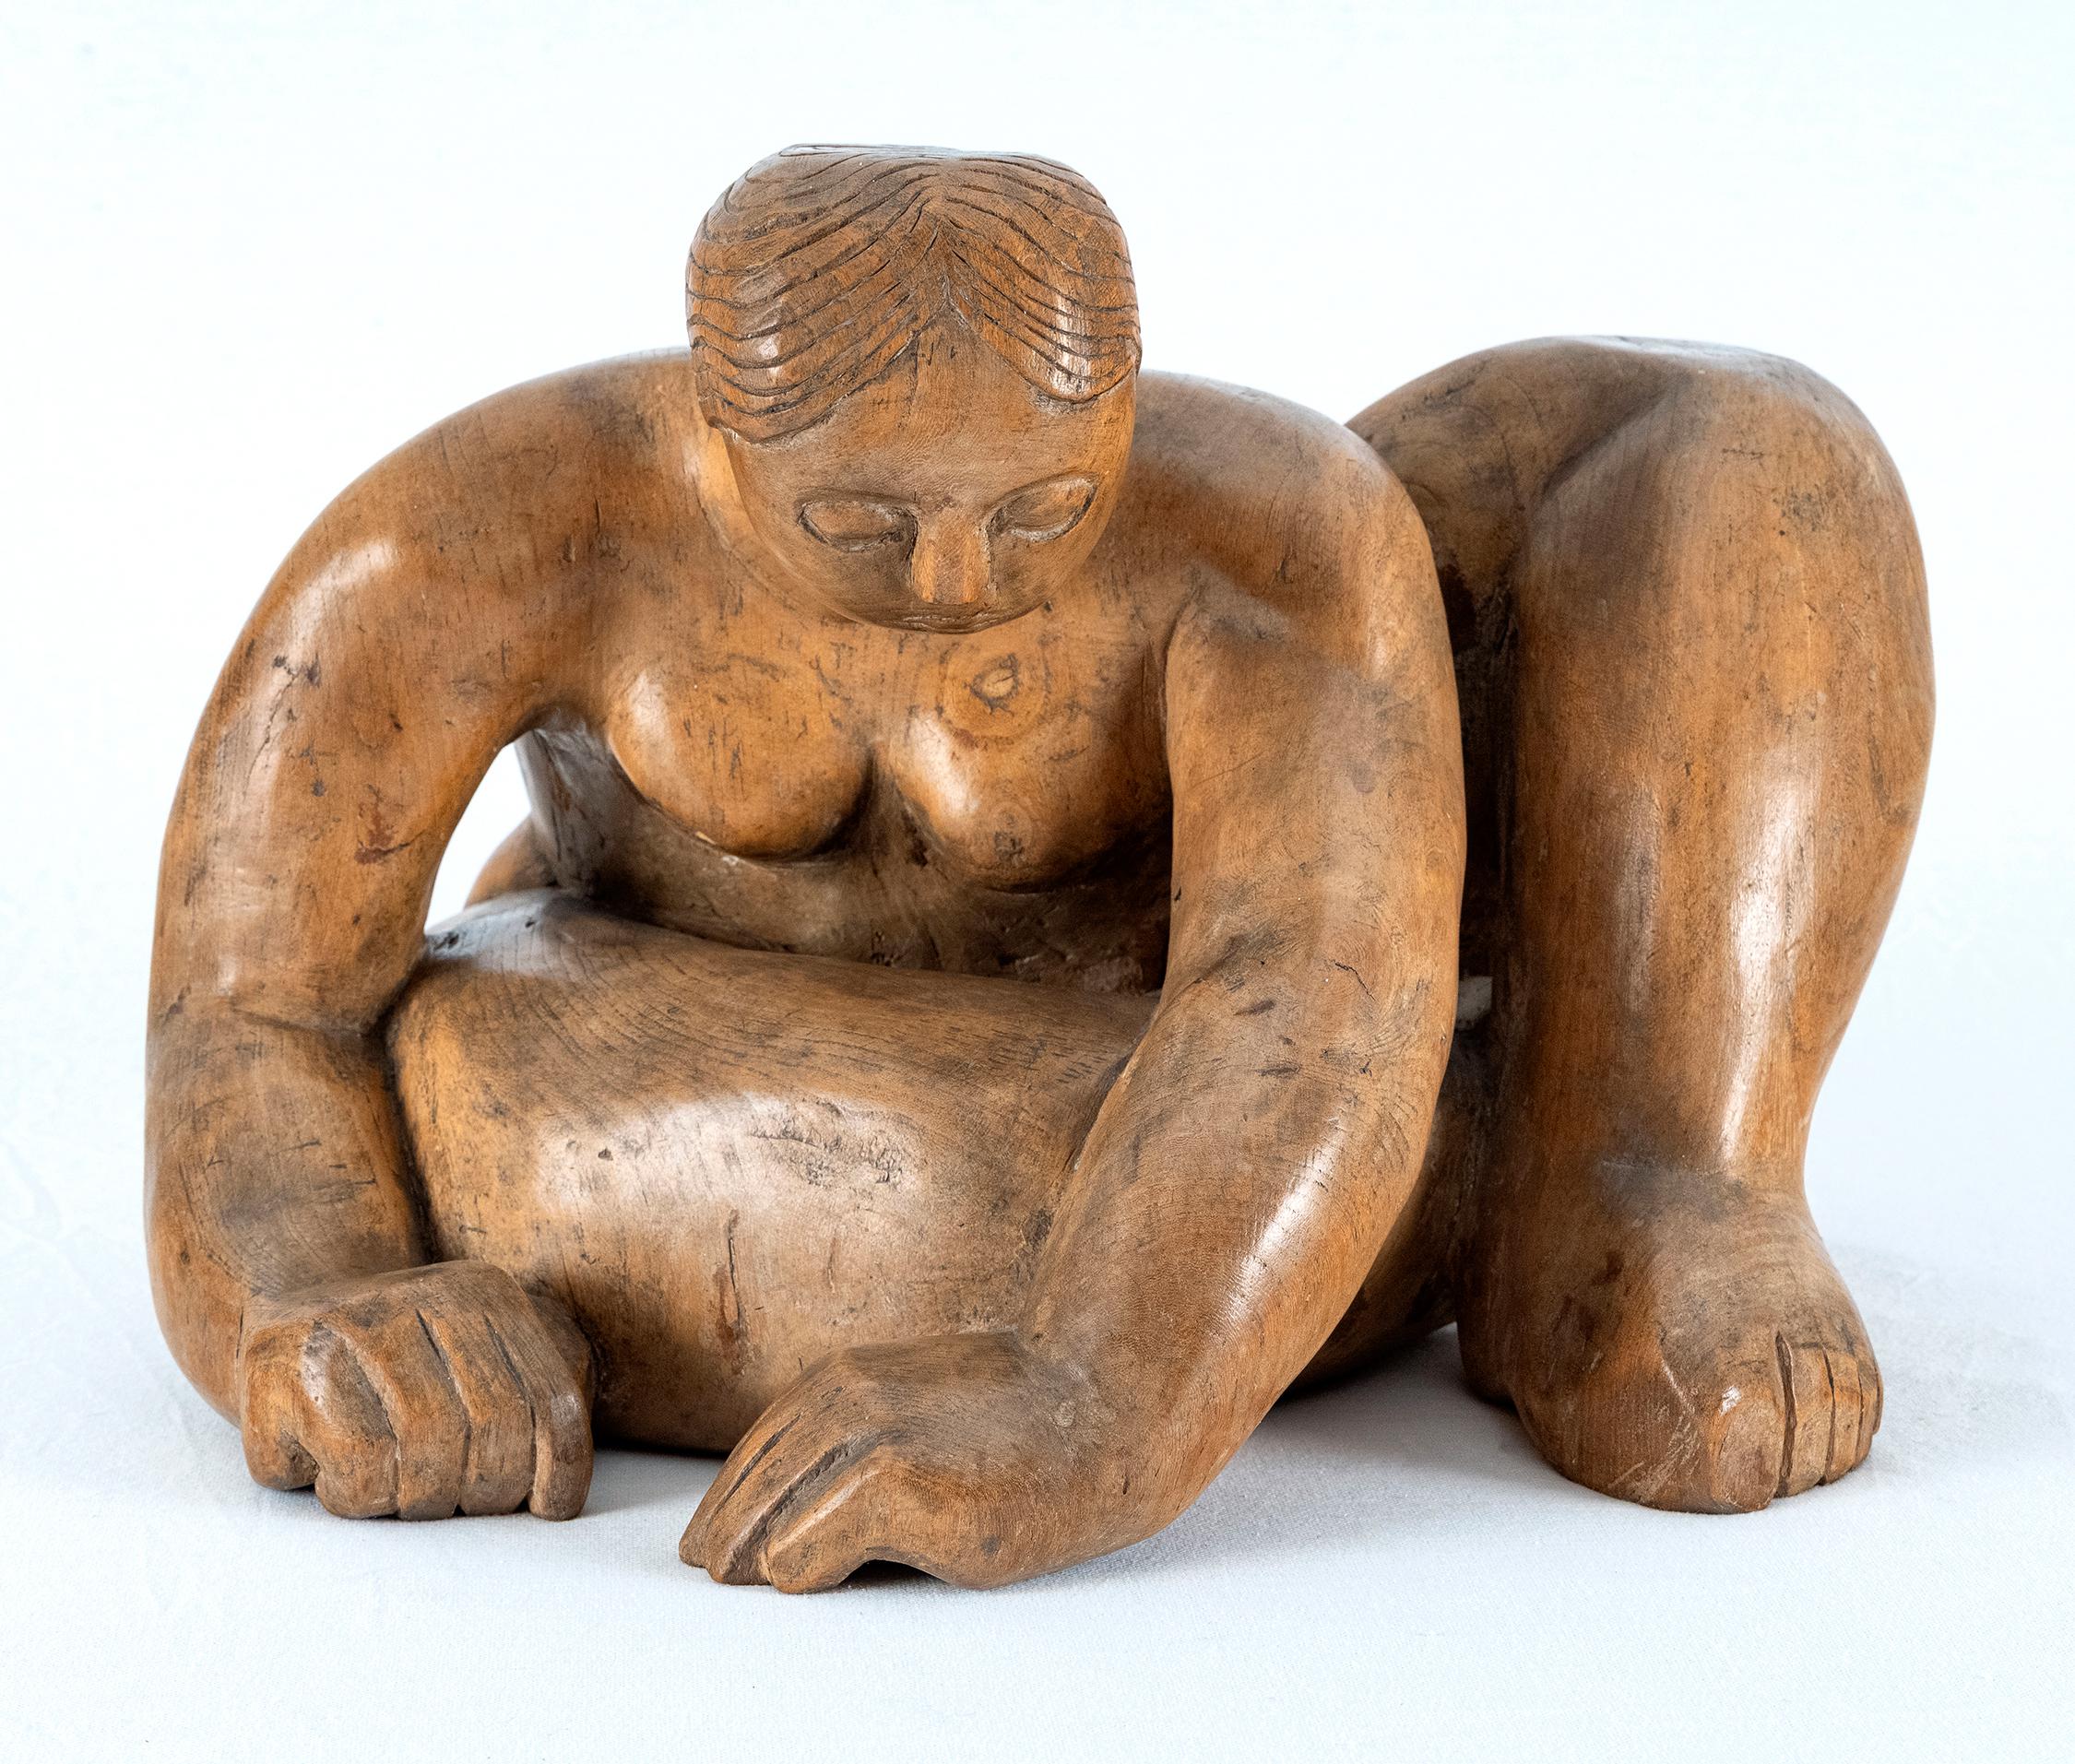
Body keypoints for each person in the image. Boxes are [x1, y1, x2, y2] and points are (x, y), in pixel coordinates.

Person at [147, 146, 1930, 1591]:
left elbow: (1312, 1003)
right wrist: (321, 1293)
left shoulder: (1270, 529)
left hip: (1188, 1077)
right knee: (456, 1072)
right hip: (632, 1025)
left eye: (1036, 514)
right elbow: (251, 1000)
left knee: (1741, 449)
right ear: (717, 432)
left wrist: (1101, 1392)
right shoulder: (478, 524)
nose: (953, 584)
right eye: (860, 522)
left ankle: (1648, 1170)